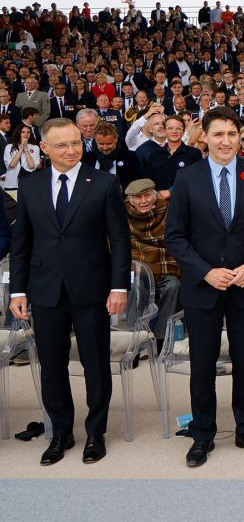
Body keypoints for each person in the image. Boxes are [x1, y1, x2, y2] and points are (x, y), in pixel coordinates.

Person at [8, 118, 130, 465]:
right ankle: (60, 432)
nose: (71, 150)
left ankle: (96, 431)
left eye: (76, 142)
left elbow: (120, 241)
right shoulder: (29, 186)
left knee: (95, 363)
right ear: (44, 148)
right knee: (52, 366)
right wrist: (18, 291)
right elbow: (21, 245)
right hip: (45, 289)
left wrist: (118, 286)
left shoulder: (104, 184)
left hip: (92, 288)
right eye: (62, 145)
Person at [165, 106, 244, 468]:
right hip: (203, 288)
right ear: (205, 138)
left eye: (232, 134)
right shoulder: (187, 178)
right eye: (218, 135)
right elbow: (176, 237)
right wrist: (205, 271)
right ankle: (202, 434)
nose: (226, 141)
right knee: (203, 363)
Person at [123, 178, 181, 351]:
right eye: (138, 197)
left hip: (166, 265)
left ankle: (162, 338)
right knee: (135, 287)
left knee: (174, 286)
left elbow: (176, 240)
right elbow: (119, 244)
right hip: (137, 266)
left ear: (155, 195)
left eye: (147, 195)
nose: (143, 201)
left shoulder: (168, 210)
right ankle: (136, 339)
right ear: (131, 201)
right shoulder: (122, 215)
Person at [3, 123, 40, 191]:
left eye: (28, 132)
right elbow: (12, 165)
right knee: (12, 202)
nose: (26, 134)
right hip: (11, 184)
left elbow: (32, 166)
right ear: (18, 133)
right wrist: (20, 150)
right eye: (23, 132)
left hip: (28, 183)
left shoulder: (35, 148)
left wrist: (25, 149)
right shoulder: (9, 147)